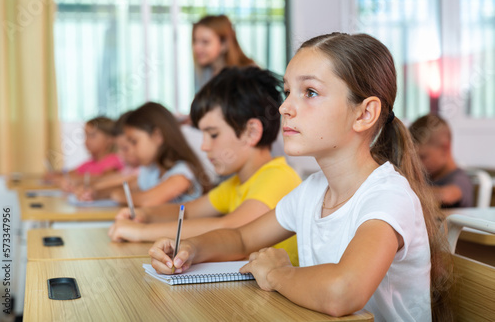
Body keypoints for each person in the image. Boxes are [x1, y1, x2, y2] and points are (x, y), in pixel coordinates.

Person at [148, 33, 453, 321]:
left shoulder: (388, 196)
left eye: (310, 92)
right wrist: (188, 248)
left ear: (364, 114)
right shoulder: (313, 192)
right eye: (288, 91)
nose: (284, 107)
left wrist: (277, 273)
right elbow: (242, 237)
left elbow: (343, 292)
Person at [109, 67, 301, 266]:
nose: (204, 146)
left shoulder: (278, 177)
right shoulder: (237, 182)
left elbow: (230, 228)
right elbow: (187, 212)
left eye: (213, 134)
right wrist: (145, 215)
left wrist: (141, 232)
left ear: (251, 132)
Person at [105, 102, 211, 207]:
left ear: (157, 136)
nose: (131, 150)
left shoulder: (182, 173)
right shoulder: (152, 171)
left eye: (134, 142)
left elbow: (148, 200)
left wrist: (119, 195)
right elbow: (129, 187)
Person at [409, 114, 474, 208]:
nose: (417, 164)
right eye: (414, 159)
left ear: (444, 149)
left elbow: (448, 195)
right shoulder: (429, 177)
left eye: (422, 157)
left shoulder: (460, 178)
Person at [73, 111, 140, 200]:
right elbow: (115, 179)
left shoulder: (115, 161)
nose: (120, 154)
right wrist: (93, 190)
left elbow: (125, 182)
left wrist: (94, 189)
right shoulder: (131, 169)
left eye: (125, 148)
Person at [46, 116, 124, 191]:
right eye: (86, 135)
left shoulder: (113, 160)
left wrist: (77, 180)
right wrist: (56, 176)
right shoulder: (90, 163)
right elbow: (70, 173)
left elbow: (108, 178)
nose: (87, 140)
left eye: (92, 136)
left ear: (109, 139)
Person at [192, 15, 255, 91]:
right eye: (195, 41)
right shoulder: (205, 73)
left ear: (224, 44)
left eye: (205, 42)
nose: (196, 48)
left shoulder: (250, 76)